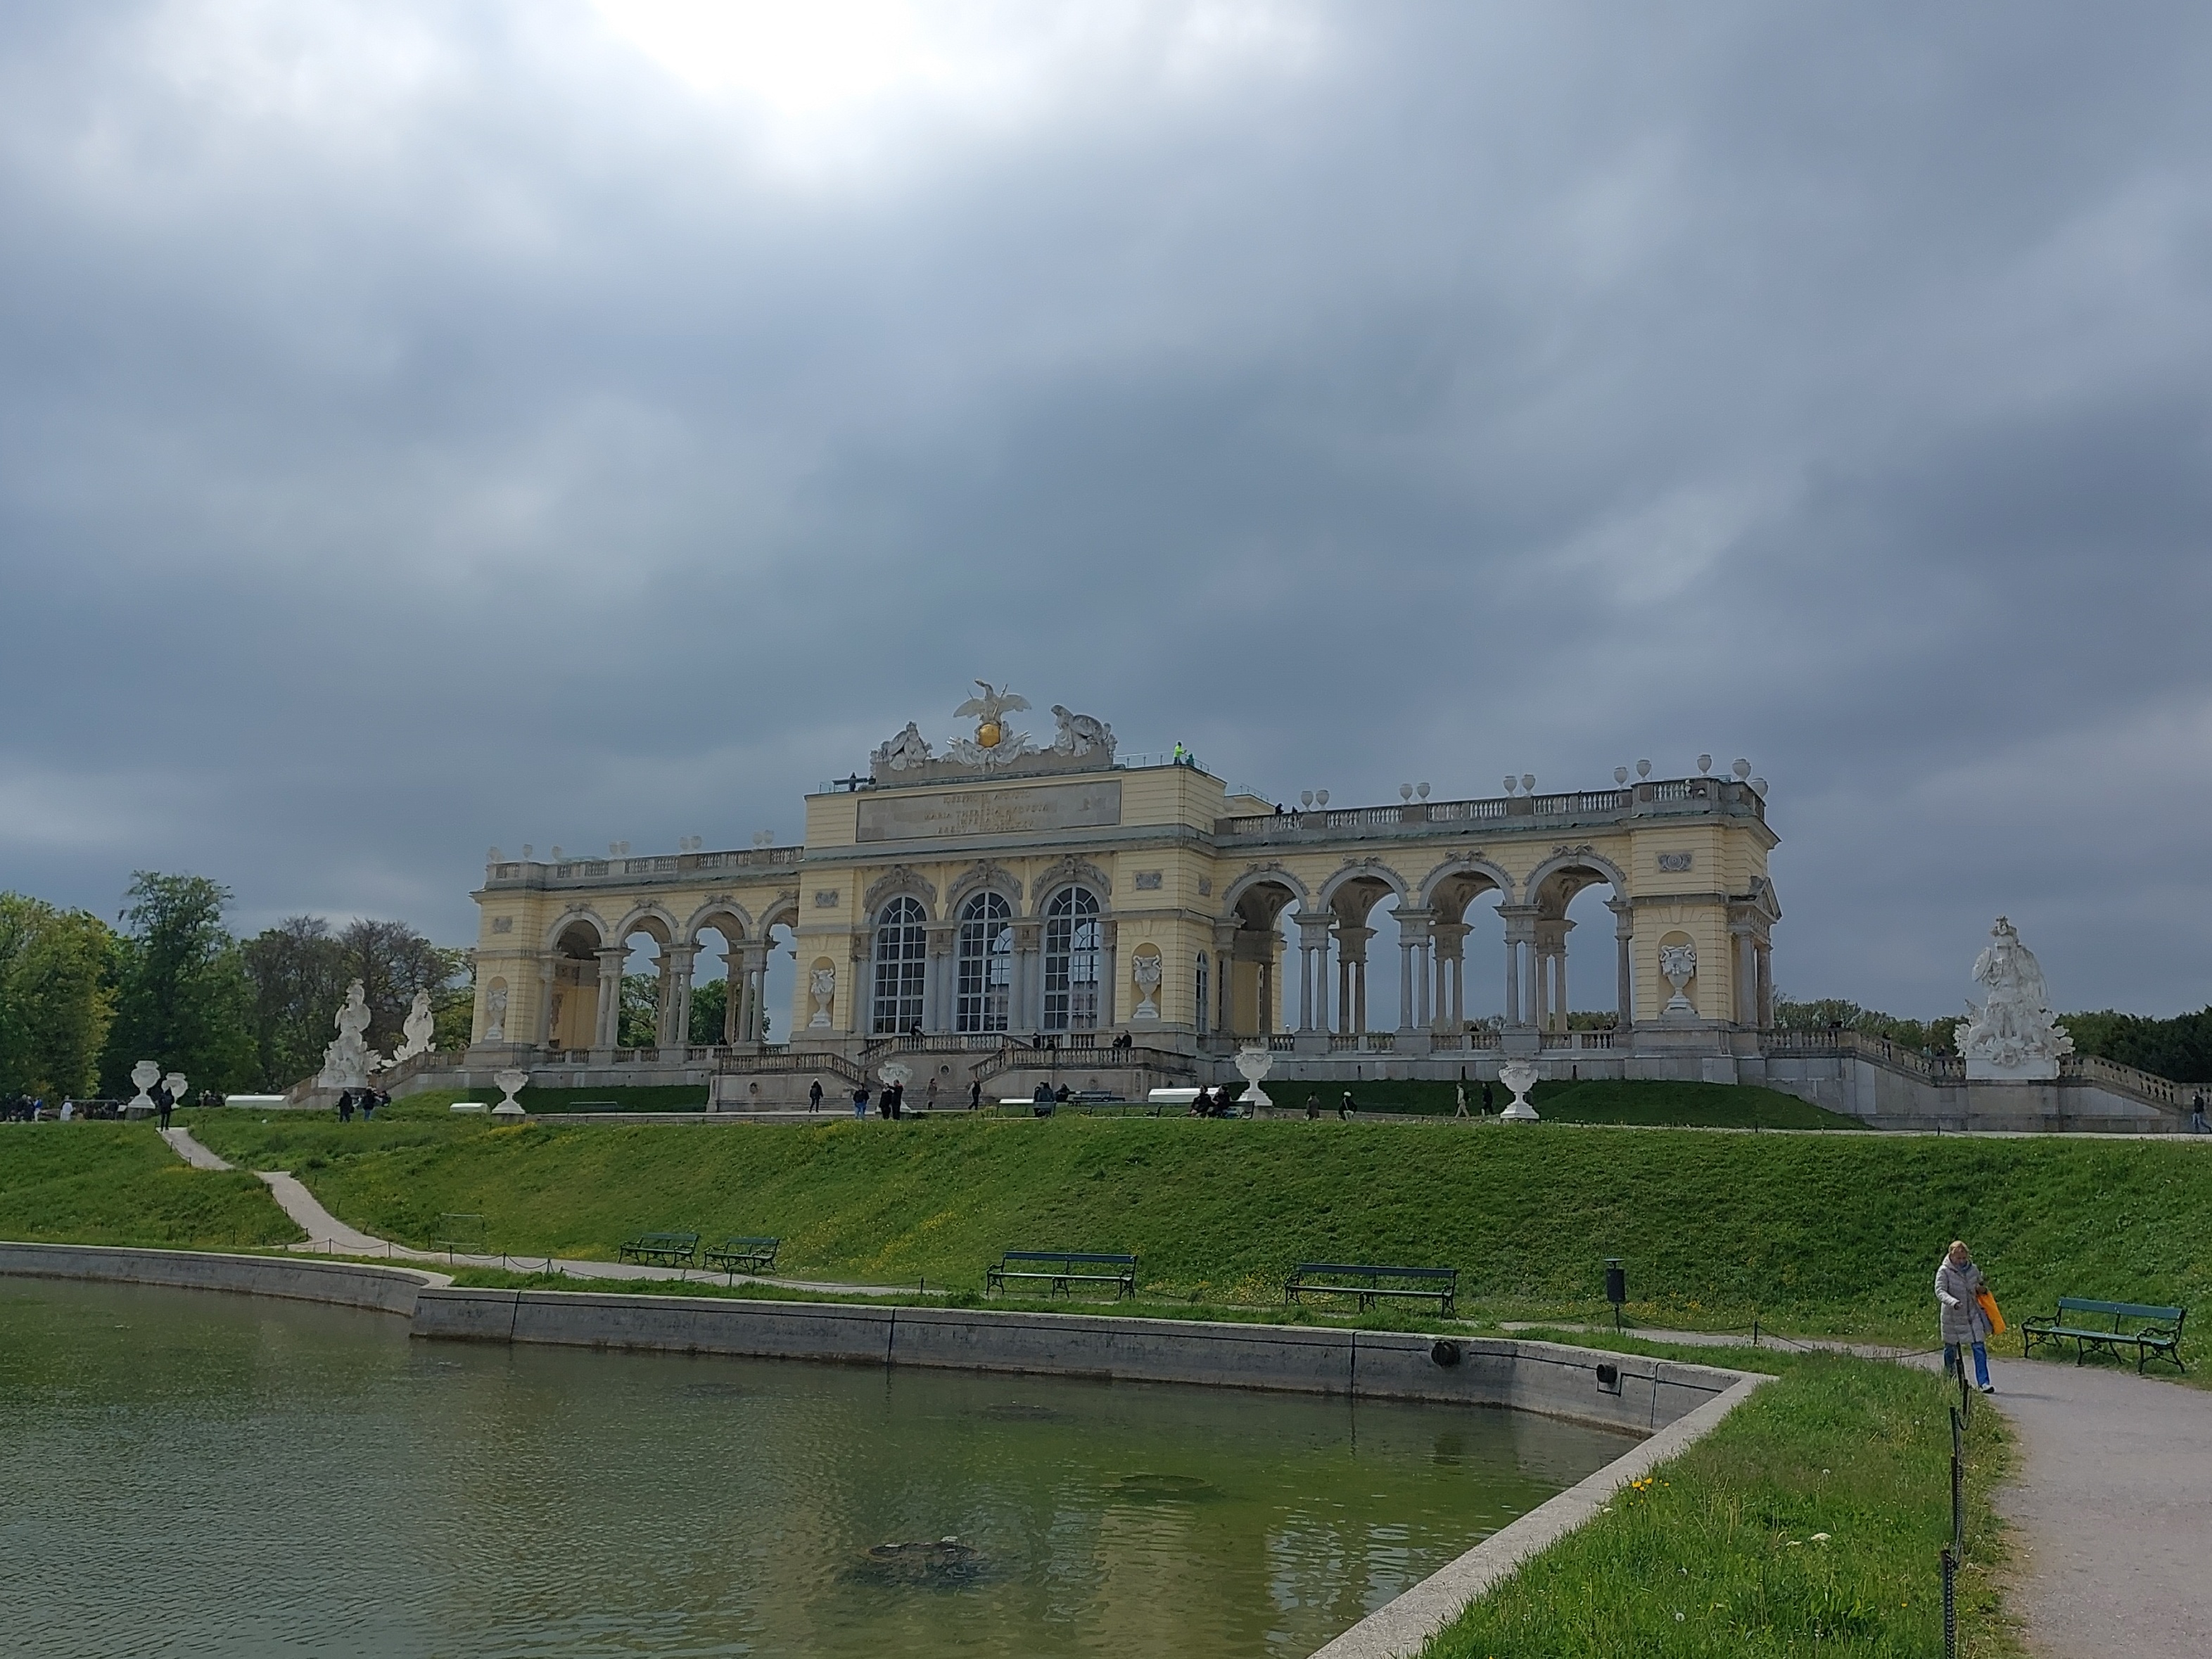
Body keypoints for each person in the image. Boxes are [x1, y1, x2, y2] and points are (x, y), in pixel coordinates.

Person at [1937, 1240, 1996, 1394]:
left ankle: (1984, 1382)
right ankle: (1949, 1378)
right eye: (1959, 1258)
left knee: (1979, 1346)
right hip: (1953, 1316)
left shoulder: (1973, 1269)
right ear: (1951, 1256)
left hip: (1972, 1314)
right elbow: (1940, 1291)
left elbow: (1977, 1287)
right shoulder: (1944, 1271)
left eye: (1964, 1258)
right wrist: (1953, 1302)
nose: (1962, 1261)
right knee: (1951, 1349)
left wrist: (1981, 1289)